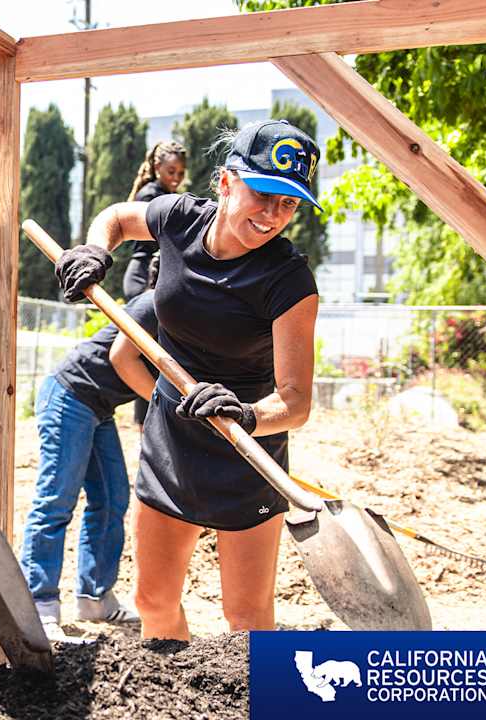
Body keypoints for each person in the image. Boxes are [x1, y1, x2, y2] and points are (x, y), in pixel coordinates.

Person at [55, 120, 320, 641]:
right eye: (262, 194)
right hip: (172, 438)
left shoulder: (288, 280)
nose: (272, 215)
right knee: (153, 602)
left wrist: (246, 413)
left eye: (288, 203)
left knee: (246, 618)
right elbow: (117, 218)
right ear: (226, 182)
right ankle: (170, 687)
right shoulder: (180, 219)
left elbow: (296, 402)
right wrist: (95, 250)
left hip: (246, 448)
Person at [18, 291, 158, 640]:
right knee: (55, 501)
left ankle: (95, 598)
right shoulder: (154, 303)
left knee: (112, 499)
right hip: (70, 394)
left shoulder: (189, 323)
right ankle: (38, 604)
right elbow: (121, 360)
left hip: (99, 407)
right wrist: (170, 403)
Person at [121, 140, 186, 302]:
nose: (176, 178)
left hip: (159, 275)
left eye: (181, 173)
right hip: (144, 276)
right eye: (171, 172)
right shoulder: (149, 196)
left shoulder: (170, 196)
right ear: (157, 167)